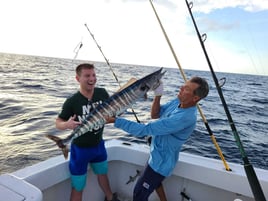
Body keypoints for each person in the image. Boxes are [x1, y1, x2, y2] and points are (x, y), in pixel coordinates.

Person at [106, 76, 209, 201]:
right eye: (183, 85)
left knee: (139, 193)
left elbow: (144, 130)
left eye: (186, 88)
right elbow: (155, 114)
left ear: (195, 98)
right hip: (157, 154)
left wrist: (115, 121)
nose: (181, 88)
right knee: (154, 182)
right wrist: (158, 95)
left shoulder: (185, 117)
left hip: (161, 163)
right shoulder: (178, 102)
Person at [55, 63, 119, 201]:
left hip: (99, 146)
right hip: (80, 151)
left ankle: (110, 198)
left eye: (94, 75)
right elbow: (58, 122)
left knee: (103, 174)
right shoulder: (72, 101)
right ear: (78, 79)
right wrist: (66, 124)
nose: (92, 78)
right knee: (78, 186)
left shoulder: (102, 93)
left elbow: (112, 114)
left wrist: (113, 117)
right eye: (87, 76)